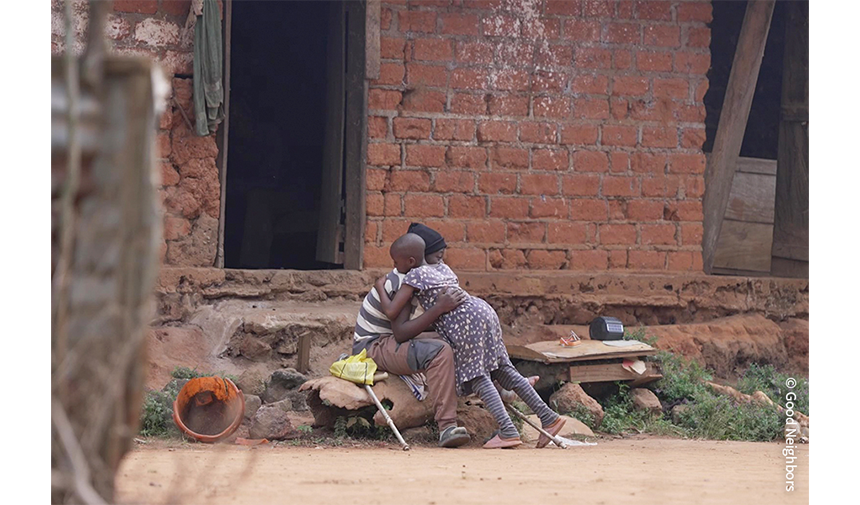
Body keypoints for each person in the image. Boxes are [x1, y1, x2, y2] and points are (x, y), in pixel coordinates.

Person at [375, 227, 565, 449]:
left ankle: (508, 430)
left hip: (465, 324)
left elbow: (392, 313)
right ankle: (549, 417)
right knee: (503, 369)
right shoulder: (443, 268)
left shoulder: (415, 275)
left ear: (410, 260)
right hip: (483, 311)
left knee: (476, 377)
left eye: (396, 262)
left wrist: (380, 287)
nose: (395, 267)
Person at [352, 233, 471, 448]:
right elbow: (400, 332)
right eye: (439, 257)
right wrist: (439, 308)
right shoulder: (405, 280)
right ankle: (447, 427)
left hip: (389, 338)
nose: (441, 262)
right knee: (440, 351)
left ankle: (498, 386)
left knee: (452, 339)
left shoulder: (421, 275)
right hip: (372, 345)